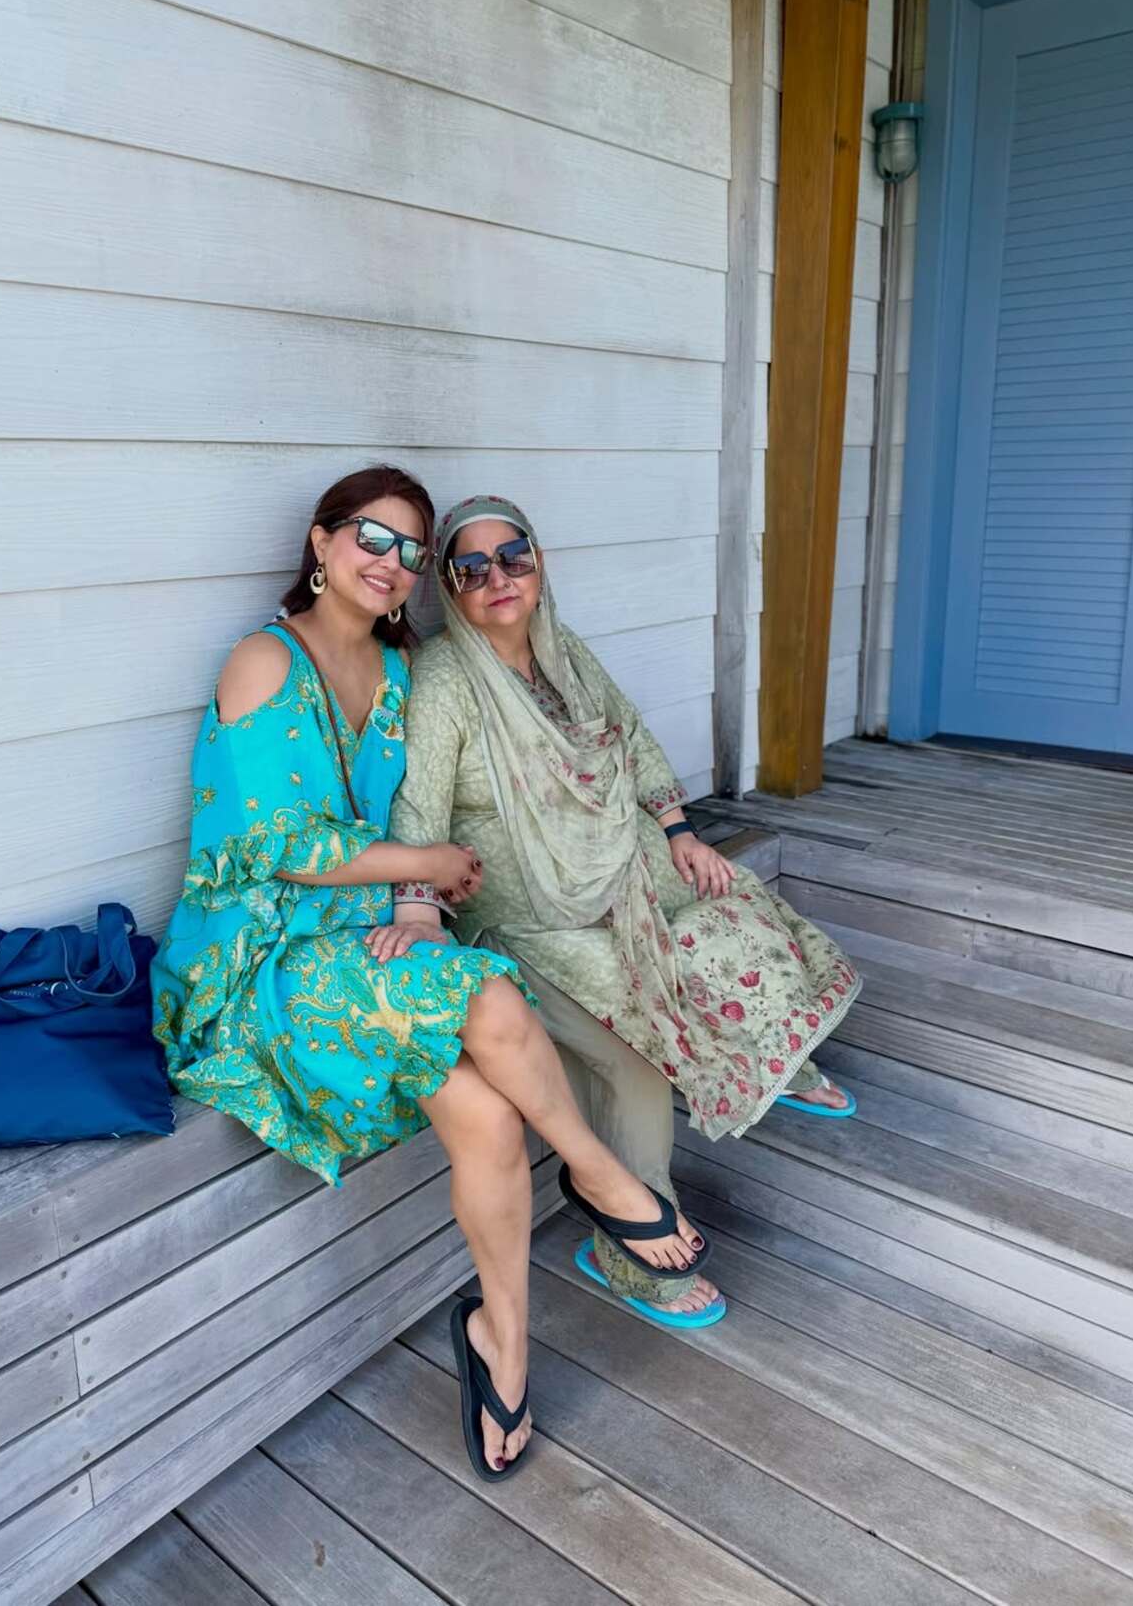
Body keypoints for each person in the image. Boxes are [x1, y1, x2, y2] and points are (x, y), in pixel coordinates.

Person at [151, 466, 713, 1482]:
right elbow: (279, 844)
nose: (392, 565)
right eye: (372, 539)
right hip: (261, 961)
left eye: (412, 553)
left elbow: (428, 811)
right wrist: (428, 871)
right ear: (320, 545)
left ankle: (503, 1340)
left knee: (491, 1118)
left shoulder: (403, 674)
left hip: (360, 946)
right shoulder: (262, 663)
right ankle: (596, 1171)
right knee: (484, 987)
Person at [391, 495, 862, 1324]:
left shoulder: (559, 649)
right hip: (527, 910)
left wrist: (678, 830)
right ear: (448, 590)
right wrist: (421, 909)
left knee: (731, 903)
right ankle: (624, 1251)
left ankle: (772, 1054)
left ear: (540, 564)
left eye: (514, 558)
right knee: (632, 1049)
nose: (497, 579)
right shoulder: (444, 681)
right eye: (471, 569)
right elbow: (418, 811)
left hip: (620, 859)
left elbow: (632, 738)